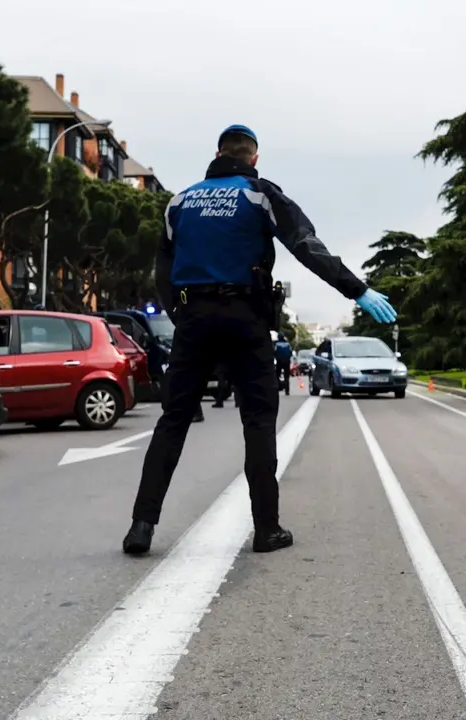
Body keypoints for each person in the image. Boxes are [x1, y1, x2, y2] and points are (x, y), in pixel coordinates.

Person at [122, 124, 397, 556]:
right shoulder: (259, 194)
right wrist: (356, 289)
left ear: (217, 154)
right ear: (253, 159)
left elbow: (162, 270)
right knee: (257, 420)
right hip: (244, 316)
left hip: (193, 318)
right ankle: (267, 529)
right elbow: (306, 245)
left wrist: (182, 314)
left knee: (173, 420)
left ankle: (141, 526)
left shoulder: (179, 201)